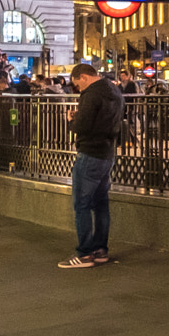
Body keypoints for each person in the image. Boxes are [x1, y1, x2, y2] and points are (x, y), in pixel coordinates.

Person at [61, 63, 123, 268]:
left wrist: (72, 119)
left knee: (82, 204)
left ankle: (85, 254)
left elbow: (83, 126)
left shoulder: (91, 95)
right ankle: (101, 250)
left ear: (84, 77)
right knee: (101, 204)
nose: (78, 89)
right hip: (107, 152)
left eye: (77, 85)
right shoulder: (114, 90)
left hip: (89, 153)